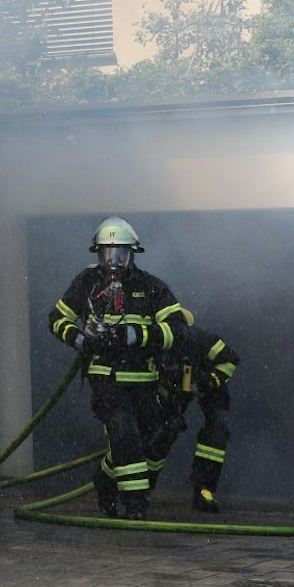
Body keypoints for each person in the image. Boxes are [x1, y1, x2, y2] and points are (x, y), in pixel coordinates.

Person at [48, 216, 186, 520]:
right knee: (124, 433)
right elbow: (56, 319)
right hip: (106, 377)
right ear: (98, 254)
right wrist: (81, 340)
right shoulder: (87, 282)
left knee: (154, 438)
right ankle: (136, 504)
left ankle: (106, 481)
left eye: (120, 253)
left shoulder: (150, 287)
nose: (113, 261)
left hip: (144, 380)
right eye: (107, 254)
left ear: (132, 253)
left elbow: (177, 328)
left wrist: (139, 335)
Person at [148, 319, 241, 513]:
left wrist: (207, 382)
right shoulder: (154, 343)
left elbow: (230, 359)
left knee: (217, 430)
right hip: (176, 390)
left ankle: (204, 490)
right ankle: (143, 488)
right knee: (164, 431)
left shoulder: (202, 340)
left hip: (208, 385)